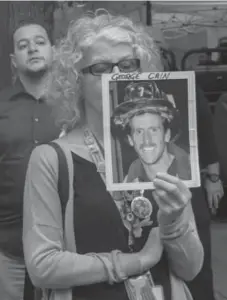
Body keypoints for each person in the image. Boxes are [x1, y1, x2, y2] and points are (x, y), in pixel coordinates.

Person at [23, 11, 203, 300]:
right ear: (75, 81)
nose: (119, 76)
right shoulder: (51, 159)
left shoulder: (159, 150)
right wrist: (136, 261)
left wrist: (176, 220)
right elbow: (42, 266)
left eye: (128, 65)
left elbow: (191, 269)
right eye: (102, 67)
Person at [0, 21, 61, 300]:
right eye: (23, 46)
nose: (32, 48)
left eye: (40, 42)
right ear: (14, 61)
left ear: (53, 51)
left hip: (66, 242)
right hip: (7, 244)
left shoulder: (74, 106)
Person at [111, 81, 191, 183]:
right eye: (139, 131)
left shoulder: (188, 170)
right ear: (130, 139)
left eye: (153, 130)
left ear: (167, 135)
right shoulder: (134, 172)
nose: (146, 140)